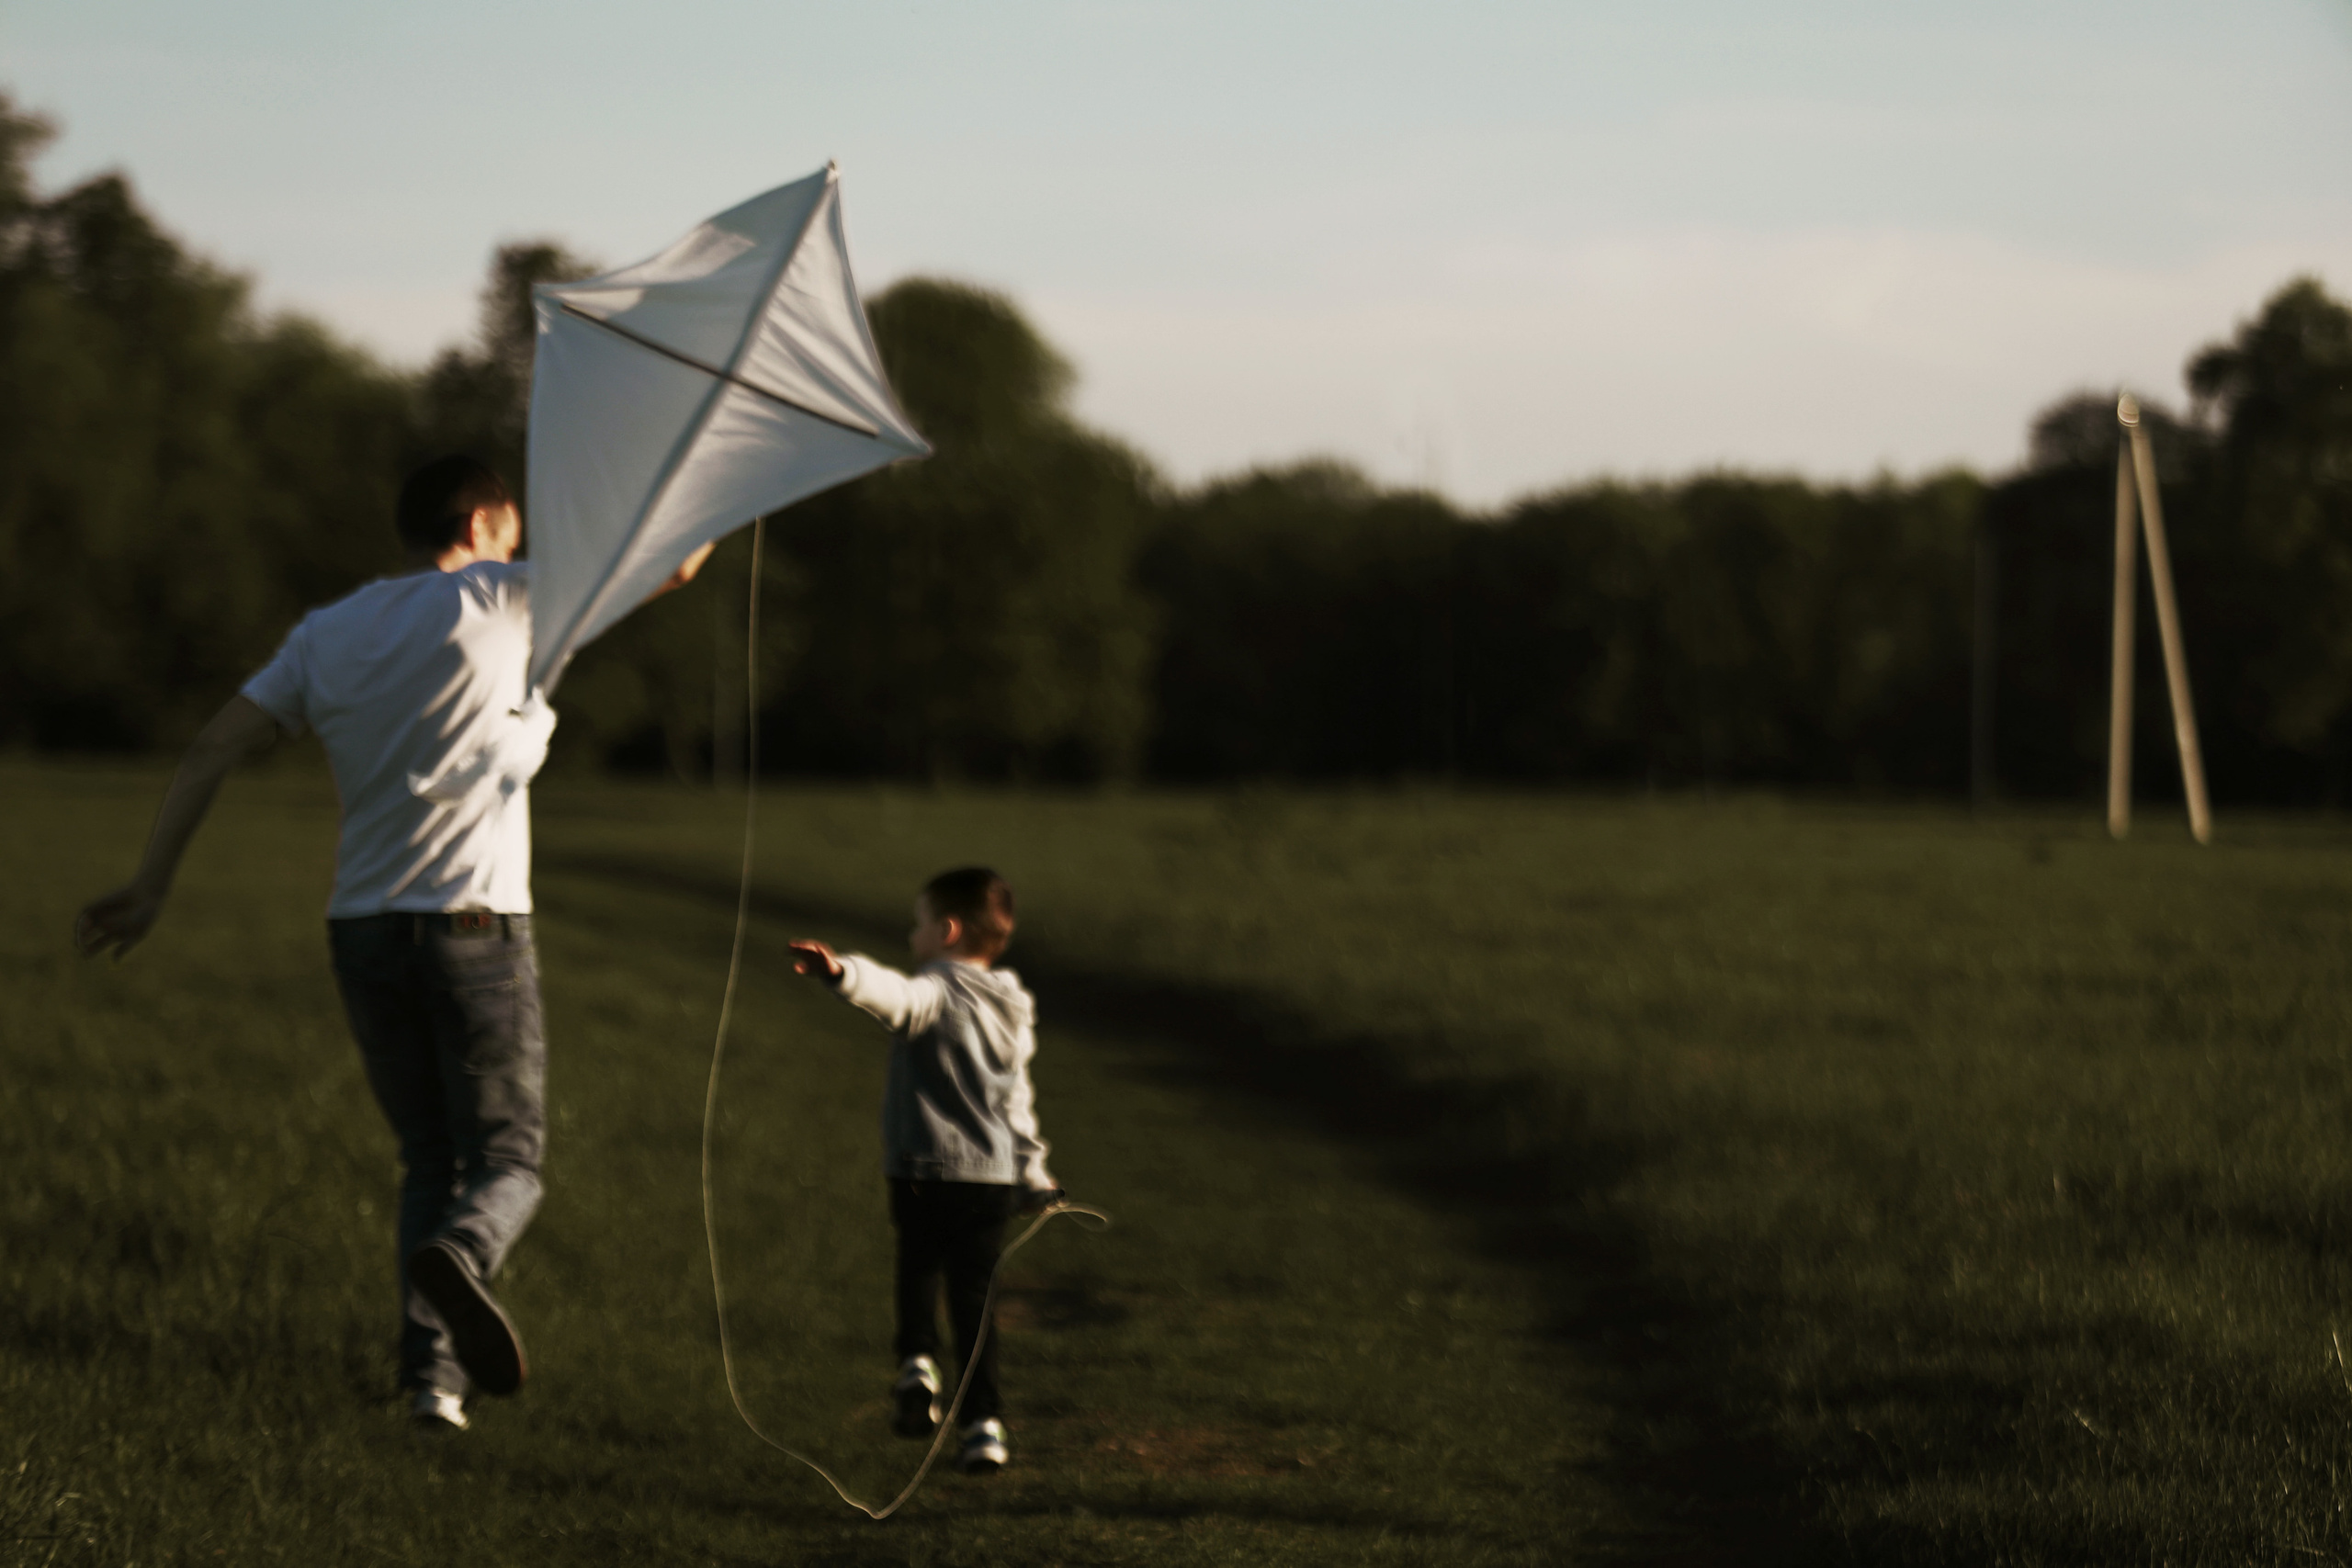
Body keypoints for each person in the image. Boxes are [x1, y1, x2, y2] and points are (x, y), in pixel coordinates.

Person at [73, 456, 712, 1434]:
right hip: (475, 925)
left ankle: (433, 1387)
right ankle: (464, 1262)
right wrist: (711, 474)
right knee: (509, 1163)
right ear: (490, 519)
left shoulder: (328, 633)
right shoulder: (511, 595)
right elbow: (673, 566)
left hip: (362, 930)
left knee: (427, 1157)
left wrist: (151, 883)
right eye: (516, 522)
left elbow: (211, 748)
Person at [787, 866, 1063, 1477]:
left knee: (918, 1265)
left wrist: (840, 972)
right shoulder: (1012, 1010)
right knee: (974, 1299)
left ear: (947, 929)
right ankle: (984, 1427)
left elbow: (895, 995)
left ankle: (916, 1362)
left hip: (921, 1170)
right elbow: (1016, 1099)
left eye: (917, 923)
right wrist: (1034, 1171)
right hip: (991, 1179)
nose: (912, 935)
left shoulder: (936, 989)